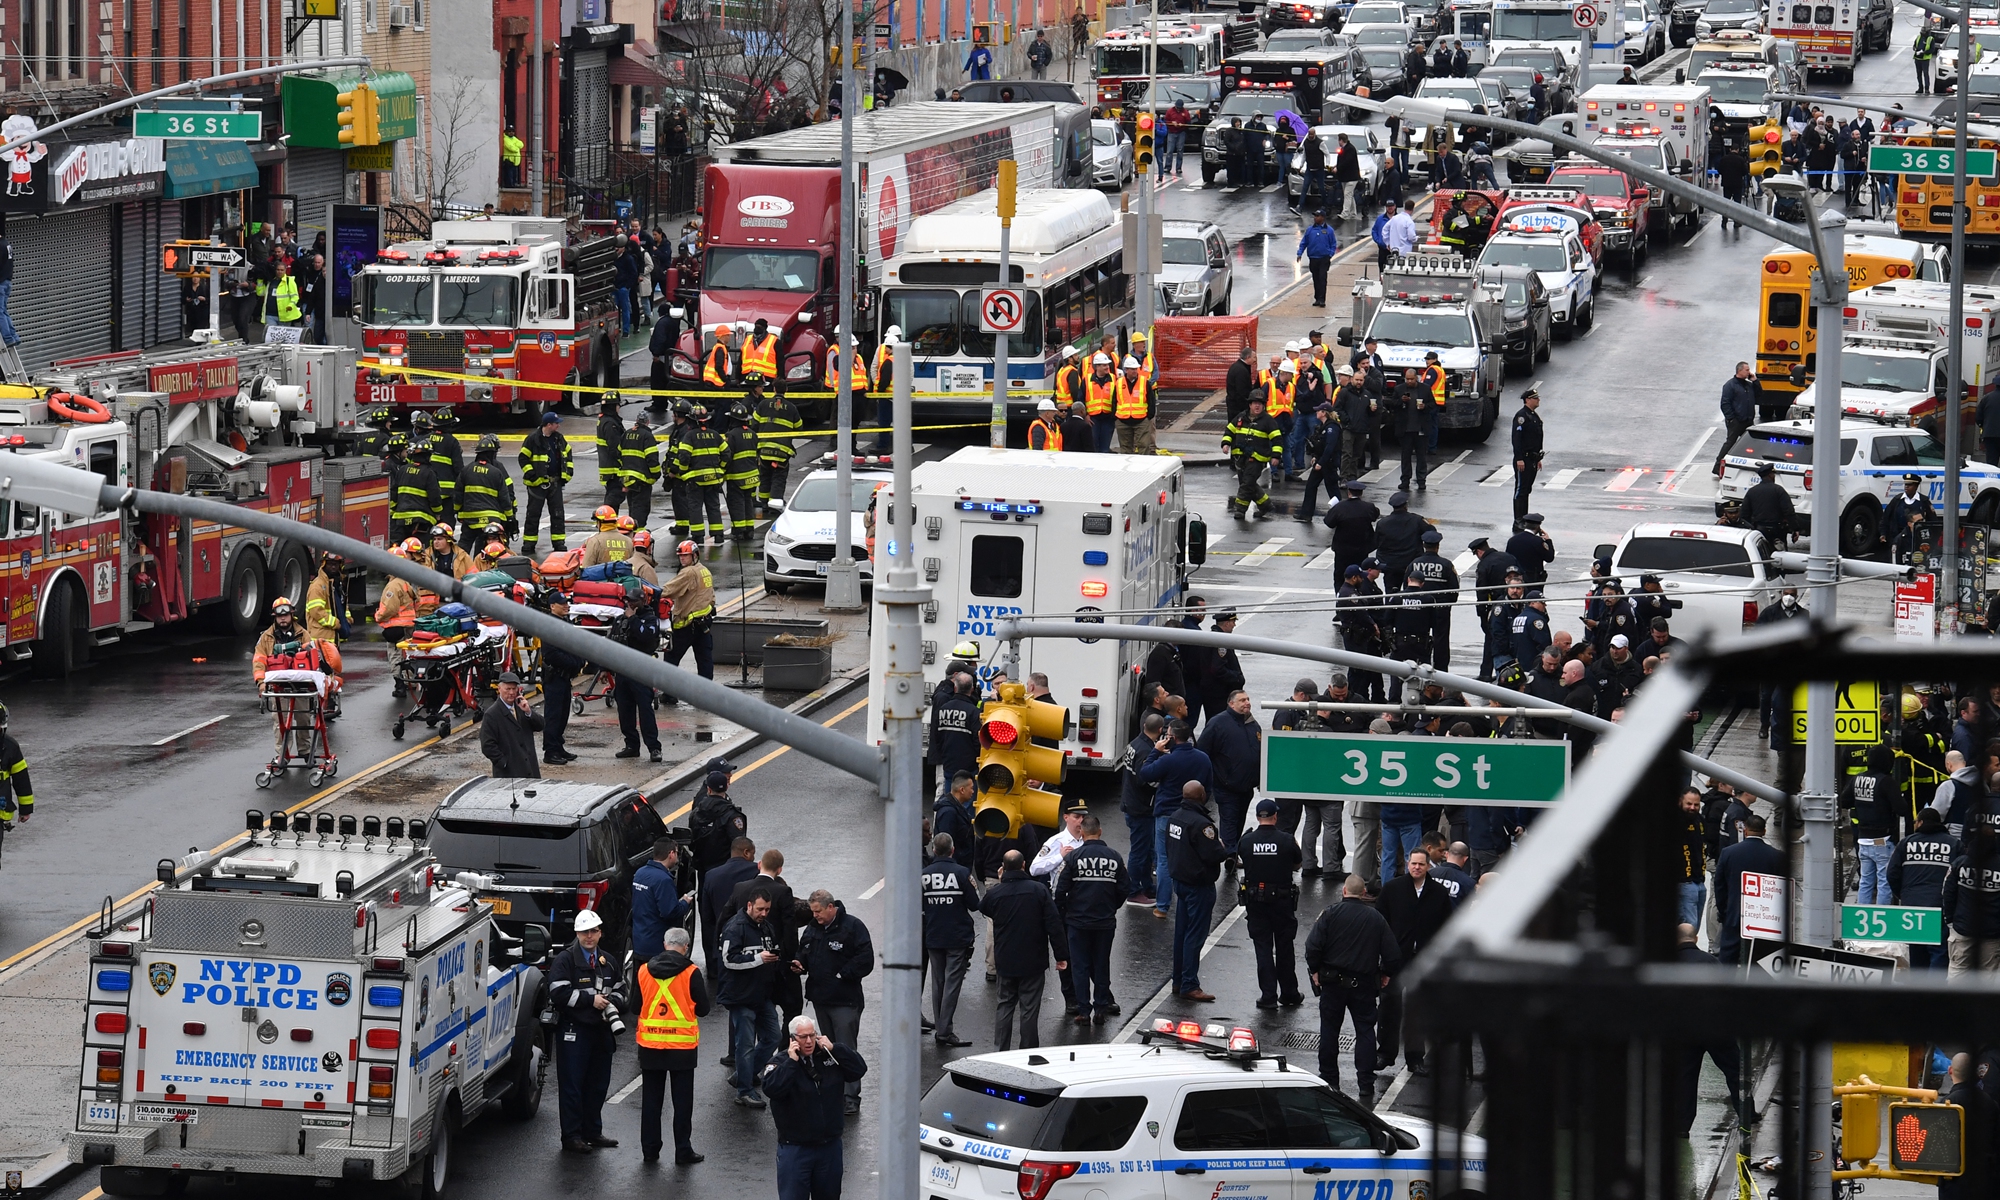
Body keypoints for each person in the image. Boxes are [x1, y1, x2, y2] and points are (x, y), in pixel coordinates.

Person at [1305, 875, 1401, 1104]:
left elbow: (1313, 945)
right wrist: (1386, 973)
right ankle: (1365, 1083)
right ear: (1363, 892)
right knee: (1365, 1032)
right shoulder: (1376, 918)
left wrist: (1315, 970)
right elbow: (1393, 954)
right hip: (1364, 985)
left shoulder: (1330, 914)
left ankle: (1329, 1079)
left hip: (1332, 983)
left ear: (1344, 890)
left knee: (1329, 1030)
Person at [763, 1015, 868, 1200]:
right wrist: (791, 1062)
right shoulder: (780, 1062)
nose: (809, 1041)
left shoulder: (828, 1056)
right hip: (795, 1149)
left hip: (829, 1147)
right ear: (792, 1039)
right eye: (803, 1037)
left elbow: (858, 1069)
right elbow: (772, 1089)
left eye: (812, 1035)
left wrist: (836, 1048)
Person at [635, 926, 709, 1165]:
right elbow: (704, 1009)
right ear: (686, 947)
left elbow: (637, 1006)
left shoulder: (644, 970)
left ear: (664, 944)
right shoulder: (691, 972)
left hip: (650, 1047)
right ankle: (683, 1150)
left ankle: (650, 1150)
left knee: (651, 1102)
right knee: (682, 1103)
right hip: (682, 1049)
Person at [1375, 848, 1452, 1076]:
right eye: (1413, 863)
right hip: (1396, 960)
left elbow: (1446, 928)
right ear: (1408, 864)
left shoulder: (1438, 893)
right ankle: (1385, 1054)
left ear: (1428, 866)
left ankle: (1415, 1058)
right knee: (1389, 1007)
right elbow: (1380, 923)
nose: (1416, 867)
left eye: (1421, 864)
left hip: (1423, 961)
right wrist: (1382, 959)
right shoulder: (1393, 889)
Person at [794, 890, 872, 1114]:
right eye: (812, 911)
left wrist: (842, 975)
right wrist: (800, 963)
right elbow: (804, 950)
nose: (815, 915)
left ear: (831, 907)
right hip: (821, 999)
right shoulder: (813, 927)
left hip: (844, 1001)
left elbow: (866, 960)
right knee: (826, 1049)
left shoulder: (853, 927)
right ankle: (834, 1091)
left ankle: (850, 1096)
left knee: (845, 1048)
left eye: (818, 911)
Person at [550, 908, 621, 1152]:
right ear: (577, 934)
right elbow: (558, 992)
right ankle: (572, 1136)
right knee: (573, 1086)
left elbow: (622, 990)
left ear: (600, 933)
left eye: (593, 931)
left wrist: (613, 1003)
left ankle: (593, 1131)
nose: (589, 936)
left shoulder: (608, 961)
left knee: (598, 1085)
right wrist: (590, 1001)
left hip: (601, 1031)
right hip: (575, 1031)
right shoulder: (566, 960)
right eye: (584, 932)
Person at [983, 848, 1068, 1049]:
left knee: (1005, 1005)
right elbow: (1053, 924)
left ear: (1003, 868)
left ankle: (1000, 1051)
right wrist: (1061, 955)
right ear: (1023, 865)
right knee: (1029, 1008)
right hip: (1033, 959)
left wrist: (1001, 882)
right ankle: (1027, 1050)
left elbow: (984, 907)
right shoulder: (1038, 890)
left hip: (1005, 959)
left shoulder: (996, 893)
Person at [1139, 719, 1213, 916]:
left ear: (1171, 737)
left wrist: (1155, 751)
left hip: (1166, 815)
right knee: (1189, 858)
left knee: (1164, 859)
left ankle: (1162, 906)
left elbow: (1145, 773)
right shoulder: (1203, 759)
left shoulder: (1168, 760)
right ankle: (1186, 902)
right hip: (1193, 816)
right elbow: (1208, 787)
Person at [1165, 780, 1231, 1001]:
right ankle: (1190, 984)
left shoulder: (1175, 817)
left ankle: (1178, 980)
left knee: (1182, 934)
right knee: (1195, 935)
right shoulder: (1202, 825)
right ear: (1202, 796)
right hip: (1198, 885)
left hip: (1180, 882)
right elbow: (1214, 854)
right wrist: (1223, 848)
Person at [720, 889, 784, 1107]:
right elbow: (729, 960)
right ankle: (744, 1091)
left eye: (767, 909)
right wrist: (759, 959)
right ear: (749, 906)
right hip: (741, 996)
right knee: (745, 1045)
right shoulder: (735, 928)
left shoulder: (766, 927)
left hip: (762, 994)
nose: (764, 913)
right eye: (760, 909)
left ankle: (743, 1075)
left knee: (773, 1037)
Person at [1239, 798, 1305, 1009]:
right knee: (1285, 947)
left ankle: (1268, 995)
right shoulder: (1286, 840)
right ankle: (1289, 993)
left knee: (1263, 948)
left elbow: (1243, 859)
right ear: (1275, 816)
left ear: (1259, 817)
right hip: (1282, 901)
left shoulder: (1247, 841)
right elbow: (1297, 863)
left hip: (1256, 901)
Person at [922, 831, 980, 1045]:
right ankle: (944, 1031)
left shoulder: (924, 874)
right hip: (957, 937)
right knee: (952, 985)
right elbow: (975, 904)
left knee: (938, 983)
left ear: (934, 850)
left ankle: (941, 1026)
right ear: (953, 850)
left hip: (934, 935)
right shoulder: (962, 873)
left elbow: (918, 904)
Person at [1714, 812, 1786, 965]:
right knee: (1760, 961)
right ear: (1764, 831)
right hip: (1764, 920)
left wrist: (1724, 912)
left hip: (1734, 915)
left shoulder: (1728, 853)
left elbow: (1719, 886)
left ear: (1745, 830)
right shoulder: (1777, 856)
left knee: (1727, 962)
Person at [1890, 807, 1956, 971]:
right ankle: (1934, 992)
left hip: (1913, 906)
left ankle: (1918, 991)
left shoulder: (1907, 843)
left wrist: (1903, 894)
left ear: (1920, 822)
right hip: (1939, 905)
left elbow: (1892, 873)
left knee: (1917, 950)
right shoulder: (1954, 844)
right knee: (1939, 951)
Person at [1197, 689, 1262, 855]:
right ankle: (1230, 855)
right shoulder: (1218, 723)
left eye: (1248, 699)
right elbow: (1203, 751)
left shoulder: (1252, 724)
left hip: (1247, 787)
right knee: (1229, 822)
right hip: (1226, 787)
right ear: (1231, 704)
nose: (1247, 703)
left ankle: (1232, 850)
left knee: (1239, 821)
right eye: (1242, 700)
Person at [659, 540, 717, 703]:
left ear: (695, 555)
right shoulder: (705, 571)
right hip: (704, 624)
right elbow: (712, 597)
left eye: (686, 555)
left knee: (671, 659)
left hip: (686, 625)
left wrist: (651, 592)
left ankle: (670, 695)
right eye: (680, 556)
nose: (682, 559)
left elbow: (668, 590)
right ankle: (706, 696)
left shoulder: (688, 573)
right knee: (704, 659)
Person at [1941, 1051, 2000, 1200]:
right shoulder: (1990, 1103)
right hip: (1987, 1181)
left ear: (1950, 1071)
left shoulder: (1944, 1106)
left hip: (1954, 1183)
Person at [518, 411, 572, 553]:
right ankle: (529, 545)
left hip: (555, 483)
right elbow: (523, 459)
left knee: (558, 514)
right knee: (533, 514)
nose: (558, 426)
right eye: (556, 424)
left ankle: (559, 543)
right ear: (548, 425)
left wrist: (567, 474)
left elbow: (568, 454)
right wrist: (533, 477)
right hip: (537, 485)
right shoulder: (532, 439)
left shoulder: (559, 439)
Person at [632, 837, 692, 962]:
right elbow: (669, 912)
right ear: (671, 854)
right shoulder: (663, 880)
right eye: (676, 852)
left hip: (639, 940)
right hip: (656, 944)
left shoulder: (640, 873)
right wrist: (684, 903)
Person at [1223, 394, 1281, 518]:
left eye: (1260, 403)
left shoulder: (1268, 421)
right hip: (1240, 458)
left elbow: (1277, 439)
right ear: (1250, 405)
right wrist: (1226, 444)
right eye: (1255, 403)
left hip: (1257, 459)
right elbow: (1229, 430)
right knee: (1248, 484)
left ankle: (1240, 509)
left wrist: (1276, 456)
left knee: (1247, 483)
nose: (1257, 406)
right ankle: (1265, 505)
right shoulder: (1240, 417)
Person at [478, 671, 543, 778]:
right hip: (509, 774)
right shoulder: (492, 714)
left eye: (514, 689)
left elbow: (540, 725)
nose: (511, 692)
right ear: (499, 689)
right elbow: (487, 745)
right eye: (508, 689)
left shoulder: (521, 707)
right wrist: (503, 763)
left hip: (530, 770)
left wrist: (528, 712)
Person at [1113, 355, 1157, 455]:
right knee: (1125, 449)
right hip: (1123, 420)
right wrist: (1115, 417)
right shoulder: (1119, 383)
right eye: (1132, 369)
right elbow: (1114, 401)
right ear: (1126, 370)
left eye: (1135, 369)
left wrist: (1149, 416)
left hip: (1141, 420)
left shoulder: (1144, 382)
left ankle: (1143, 469)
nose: (1135, 371)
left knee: (1143, 446)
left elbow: (1151, 400)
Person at [1297, 209, 1339, 308]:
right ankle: (1317, 298)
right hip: (1313, 258)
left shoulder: (1329, 230)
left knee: (1322, 278)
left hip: (1324, 258)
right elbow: (1304, 243)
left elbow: (1333, 244)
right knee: (1316, 278)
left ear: (1323, 218)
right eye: (1315, 216)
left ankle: (1322, 299)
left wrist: (1330, 254)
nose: (1315, 218)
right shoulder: (1310, 230)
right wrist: (1299, 253)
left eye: (1317, 216)